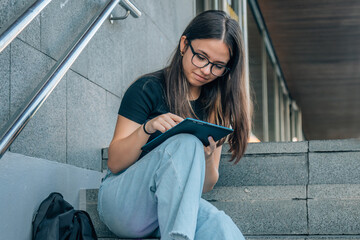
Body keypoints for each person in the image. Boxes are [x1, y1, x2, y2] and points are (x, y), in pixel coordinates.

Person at [97, 10, 252, 240]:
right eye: (201, 56)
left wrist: (207, 159)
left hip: (169, 208)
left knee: (221, 226)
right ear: (183, 45)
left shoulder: (216, 108)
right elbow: (115, 162)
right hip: (123, 202)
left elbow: (205, 187)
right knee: (185, 142)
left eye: (218, 66)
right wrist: (147, 128)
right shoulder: (148, 88)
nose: (207, 71)